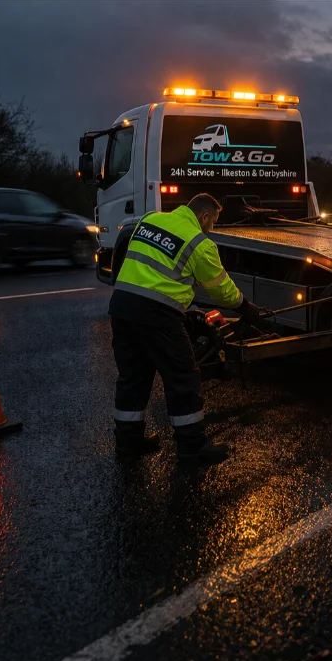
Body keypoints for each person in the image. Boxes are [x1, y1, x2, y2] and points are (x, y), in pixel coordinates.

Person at [108, 193, 262, 462]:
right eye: (213, 221)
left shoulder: (150, 219)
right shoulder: (199, 243)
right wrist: (245, 307)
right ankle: (191, 446)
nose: (212, 227)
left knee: (133, 376)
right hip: (157, 316)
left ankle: (128, 442)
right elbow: (222, 290)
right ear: (203, 217)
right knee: (183, 377)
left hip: (121, 306)